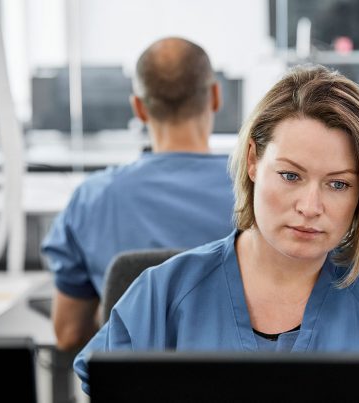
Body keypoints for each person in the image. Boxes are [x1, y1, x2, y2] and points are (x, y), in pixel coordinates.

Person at [74, 64, 359, 394]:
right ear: (254, 161)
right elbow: (105, 382)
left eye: (338, 184)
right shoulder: (163, 297)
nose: (310, 207)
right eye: (290, 175)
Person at [41, 37, 235, 352]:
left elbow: (69, 333)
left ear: (139, 108)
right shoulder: (259, 193)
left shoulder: (92, 199)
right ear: (215, 96)